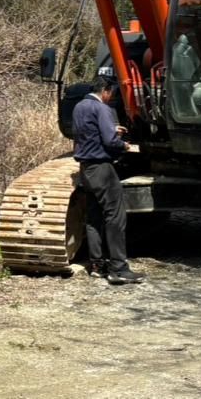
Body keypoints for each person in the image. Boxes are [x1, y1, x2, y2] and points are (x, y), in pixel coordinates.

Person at [72, 74, 145, 285]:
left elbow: (90, 133)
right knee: (115, 217)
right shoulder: (102, 108)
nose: (110, 97)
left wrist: (111, 132)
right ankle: (119, 269)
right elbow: (110, 141)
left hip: (86, 169)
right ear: (106, 91)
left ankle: (96, 265)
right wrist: (124, 145)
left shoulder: (80, 106)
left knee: (94, 218)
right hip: (103, 169)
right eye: (110, 94)